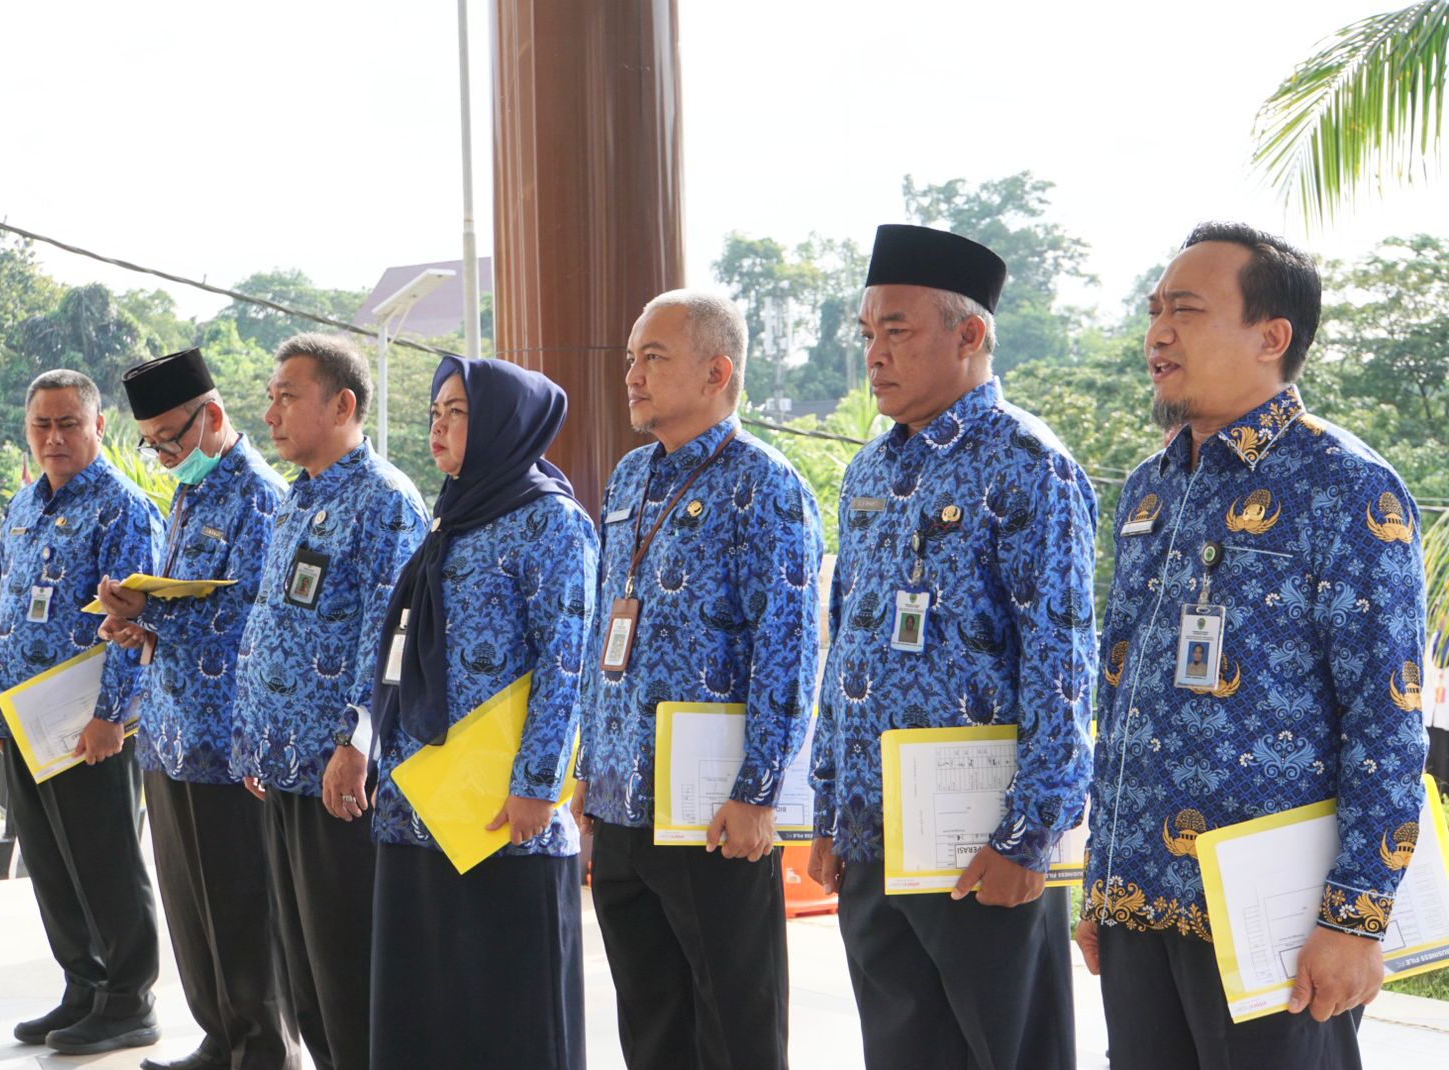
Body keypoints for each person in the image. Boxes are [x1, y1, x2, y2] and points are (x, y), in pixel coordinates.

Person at [1076, 222, 1428, 1069]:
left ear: (1273, 337)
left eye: (1186, 311)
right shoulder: (1148, 488)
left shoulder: (1348, 486)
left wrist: (1353, 920)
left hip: (1275, 924)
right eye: (1155, 310)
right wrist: (1100, 882)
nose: (1158, 333)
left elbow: (1387, 719)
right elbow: (1119, 697)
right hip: (1138, 908)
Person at [807, 224, 1098, 1070]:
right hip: (873, 838)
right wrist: (830, 807)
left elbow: (1061, 660)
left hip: (982, 845)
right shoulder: (868, 470)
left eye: (897, 330)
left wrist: (1028, 837)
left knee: (1009, 1053)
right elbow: (846, 646)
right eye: (868, 334)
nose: (875, 354)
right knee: (901, 1052)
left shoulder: (1028, 463)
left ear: (969, 335)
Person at [572, 289, 824, 1070]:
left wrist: (757, 793)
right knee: (651, 1020)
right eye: (629, 360)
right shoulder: (627, 478)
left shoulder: (768, 486)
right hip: (621, 802)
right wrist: (587, 767)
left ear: (717, 371)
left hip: (710, 812)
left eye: (654, 358)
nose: (633, 376)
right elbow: (599, 633)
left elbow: (787, 650)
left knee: (735, 1020)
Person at [367, 355, 597, 1068]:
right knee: (430, 1002)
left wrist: (536, 783)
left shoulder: (551, 523)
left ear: (503, 424)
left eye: (458, 412)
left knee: (509, 1012)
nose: (439, 426)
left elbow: (568, 661)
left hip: (502, 814)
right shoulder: (450, 519)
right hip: (422, 805)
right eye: (434, 412)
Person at [96, 348, 297, 1070]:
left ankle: (263, 1050)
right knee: (194, 911)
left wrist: (157, 611)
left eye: (170, 441)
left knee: (243, 909)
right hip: (170, 732)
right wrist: (139, 624)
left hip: (231, 744)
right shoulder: (187, 495)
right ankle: (220, 1038)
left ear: (211, 416)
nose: (161, 457)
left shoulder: (263, 499)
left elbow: (253, 622)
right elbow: (186, 609)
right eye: (149, 445)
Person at [232, 333, 428, 1070]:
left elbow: (391, 636)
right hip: (283, 767)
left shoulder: (384, 501)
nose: (272, 412)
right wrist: (254, 738)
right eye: (271, 395)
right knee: (304, 975)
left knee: (349, 971)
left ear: (342, 404)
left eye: (288, 395)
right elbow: (273, 623)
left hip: (340, 775)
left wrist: (358, 743)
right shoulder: (296, 499)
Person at [0, 369, 165, 1055]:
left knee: (105, 860)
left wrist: (113, 715)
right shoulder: (22, 507)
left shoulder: (122, 509)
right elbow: (5, 612)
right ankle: (82, 987)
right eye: (42, 424)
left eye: (68, 423)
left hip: (87, 723)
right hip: (24, 721)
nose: (54, 437)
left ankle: (127, 998)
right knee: (54, 866)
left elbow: (133, 619)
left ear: (97, 427)